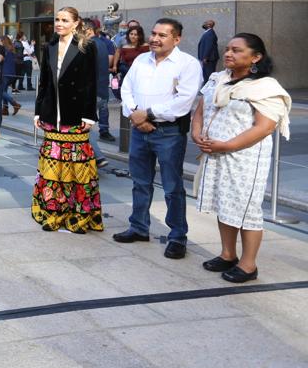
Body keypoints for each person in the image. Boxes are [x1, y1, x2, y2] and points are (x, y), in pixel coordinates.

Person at [193, 34, 291, 283]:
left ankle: (248, 265)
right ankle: (228, 254)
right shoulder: (218, 79)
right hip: (216, 154)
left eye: (237, 50)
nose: (228, 54)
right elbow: (201, 110)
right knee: (223, 203)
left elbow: (264, 127)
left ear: (255, 57)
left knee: (246, 209)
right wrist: (196, 134)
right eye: (227, 49)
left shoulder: (265, 87)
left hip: (244, 158)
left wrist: (227, 145)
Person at [114, 18, 202, 259]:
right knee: (140, 182)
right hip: (139, 131)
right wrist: (136, 116)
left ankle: (177, 236)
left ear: (177, 39)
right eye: (153, 33)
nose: (155, 38)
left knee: (173, 187)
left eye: (162, 35)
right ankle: (139, 227)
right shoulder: (142, 59)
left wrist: (148, 114)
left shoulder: (188, 64)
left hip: (169, 133)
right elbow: (126, 88)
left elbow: (183, 101)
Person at [30, 8, 102, 233]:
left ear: (75, 23)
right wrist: (38, 112)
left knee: (76, 171)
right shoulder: (49, 46)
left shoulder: (86, 47)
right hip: (52, 118)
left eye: (64, 20)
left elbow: (91, 83)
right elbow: (43, 82)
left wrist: (89, 115)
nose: (59, 24)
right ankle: (52, 213)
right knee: (52, 173)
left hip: (75, 117)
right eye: (57, 20)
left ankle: (78, 216)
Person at [85, 20, 117, 143]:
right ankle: (104, 131)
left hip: (92, 88)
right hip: (101, 85)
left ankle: (98, 156)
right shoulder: (103, 43)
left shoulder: (89, 44)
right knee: (102, 109)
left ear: (89, 30)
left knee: (84, 125)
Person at [198, 19, 220, 85]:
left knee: (209, 75)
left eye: (205, 22)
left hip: (209, 59)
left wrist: (205, 57)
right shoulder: (208, 32)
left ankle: (209, 90)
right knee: (206, 75)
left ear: (208, 25)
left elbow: (208, 46)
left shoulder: (210, 33)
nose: (203, 24)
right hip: (208, 58)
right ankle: (206, 90)